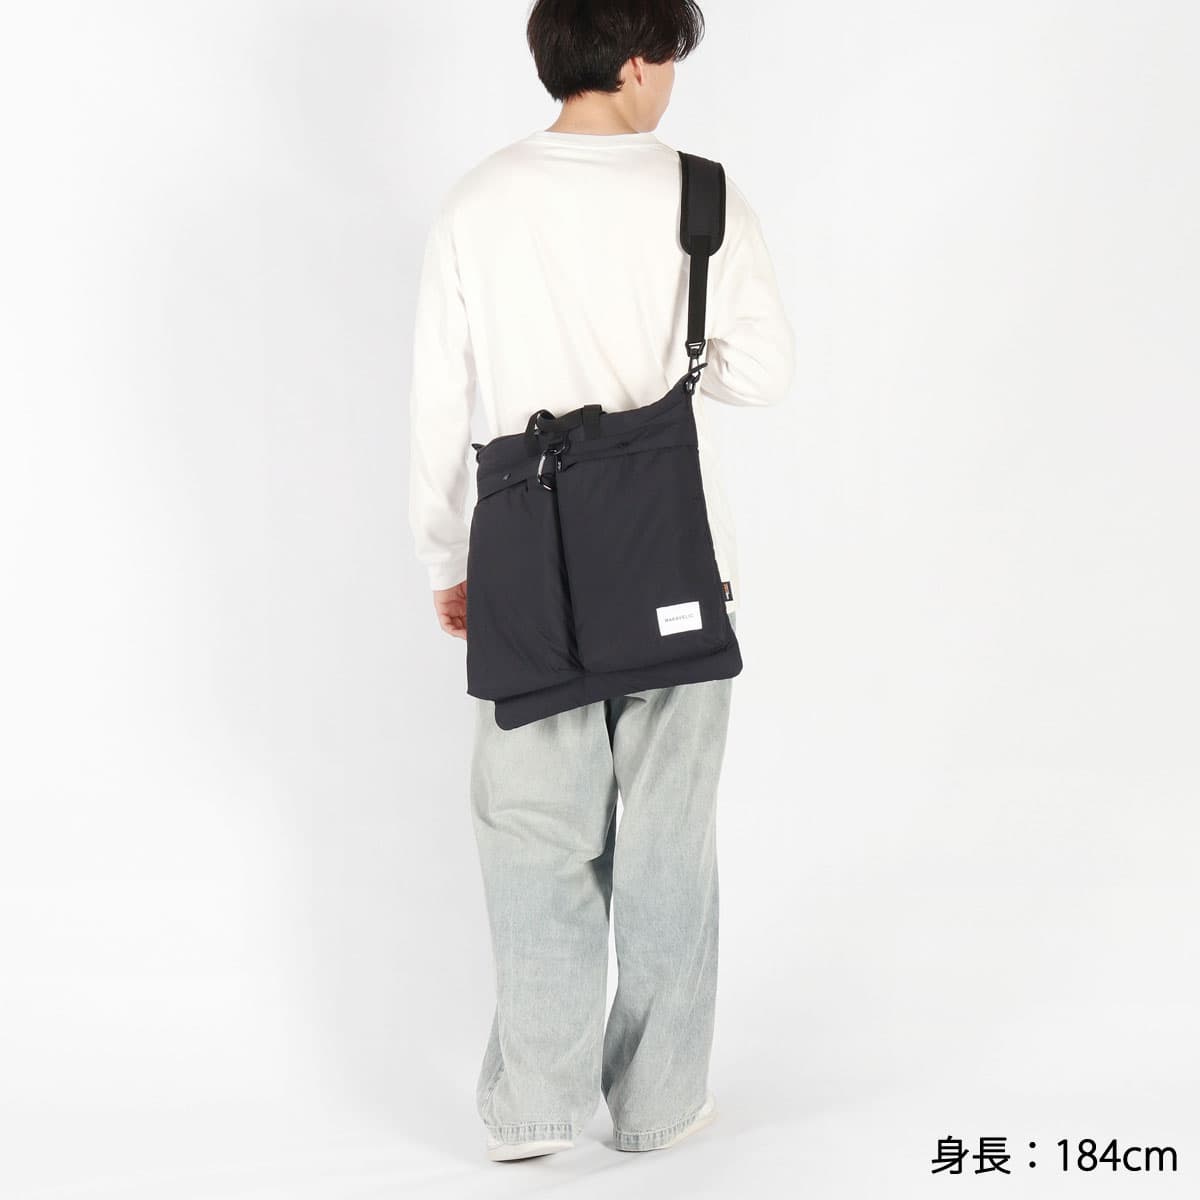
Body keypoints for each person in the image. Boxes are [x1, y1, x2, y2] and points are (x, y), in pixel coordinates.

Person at [407, 0, 794, 1162]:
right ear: (635, 60)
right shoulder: (702, 197)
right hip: (677, 558)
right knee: (670, 837)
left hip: (526, 559)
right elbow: (764, 372)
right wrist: (675, 355)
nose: (671, 78)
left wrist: (447, 558)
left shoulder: (478, 202)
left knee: (533, 830)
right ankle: (660, 1104)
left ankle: (534, 1107)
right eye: (668, 56)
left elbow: (439, 399)